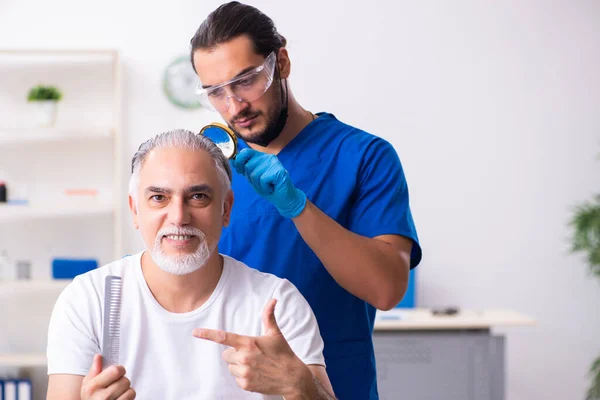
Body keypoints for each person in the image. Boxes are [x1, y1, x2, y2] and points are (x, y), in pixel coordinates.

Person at [190, 2, 423, 399]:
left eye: (245, 81)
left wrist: (297, 206)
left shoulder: (364, 156)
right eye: (216, 92)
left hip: (333, 386)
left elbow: (387, 289)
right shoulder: (212, 167)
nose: (234, 106)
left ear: (281, 62)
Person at [45, 130, 336, 400]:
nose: (178, 217)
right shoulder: (87, 299)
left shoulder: (277, 303)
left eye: (198, 197)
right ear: (135, 210)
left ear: (226, 209)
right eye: (159, 198)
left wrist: (300, 386)